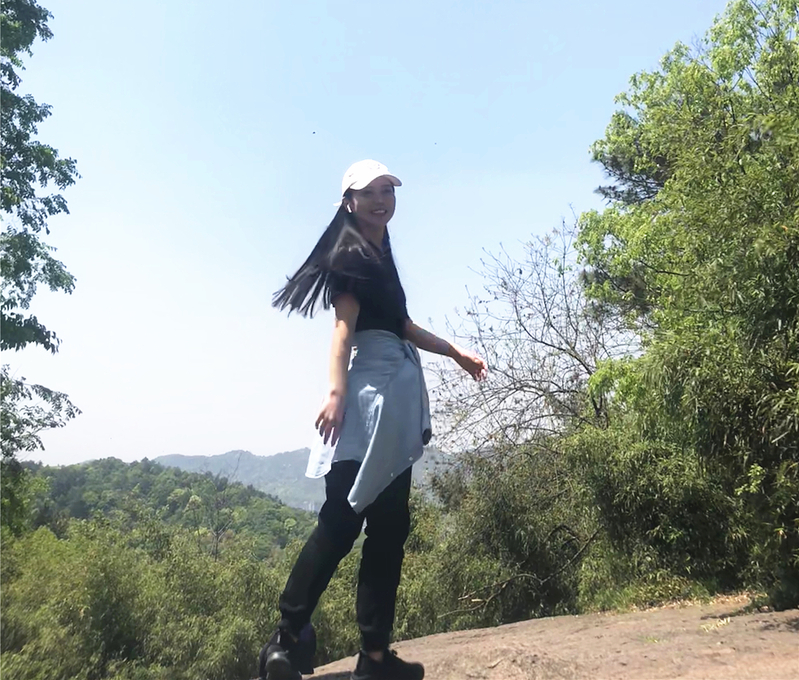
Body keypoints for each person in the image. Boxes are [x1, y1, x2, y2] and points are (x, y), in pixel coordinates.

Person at [260, 160, 487, 680]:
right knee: (342, 523)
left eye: (388, 190)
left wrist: (454, 352)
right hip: (369, 401)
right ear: (349, 202)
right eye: (370, 192)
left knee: (386, 527)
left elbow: (402, 324)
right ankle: (285, 640)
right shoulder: (351, 255)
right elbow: (343, 329)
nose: (382, 199)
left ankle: (374, 658)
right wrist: (336, 392)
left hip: (392, 403)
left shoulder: (379, 254)